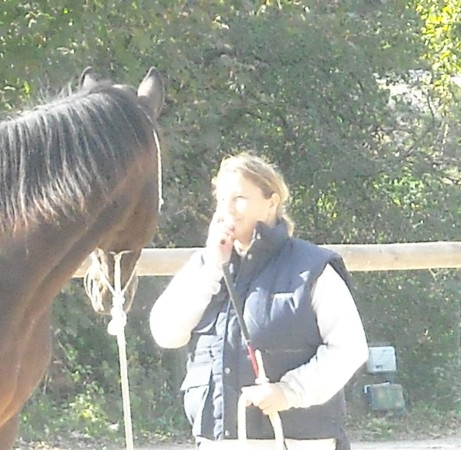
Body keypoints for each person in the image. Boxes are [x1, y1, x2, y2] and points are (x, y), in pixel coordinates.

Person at [149, 152, 368, 450]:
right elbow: (166, 333)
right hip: (220, 440)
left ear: (271, 203)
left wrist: (288, 392)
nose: (226, 209)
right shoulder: (204, 266)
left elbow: (350, 349)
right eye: (221, 199)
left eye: (239, 197)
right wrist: (214, 266)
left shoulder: (313, 269)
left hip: (298, 440)